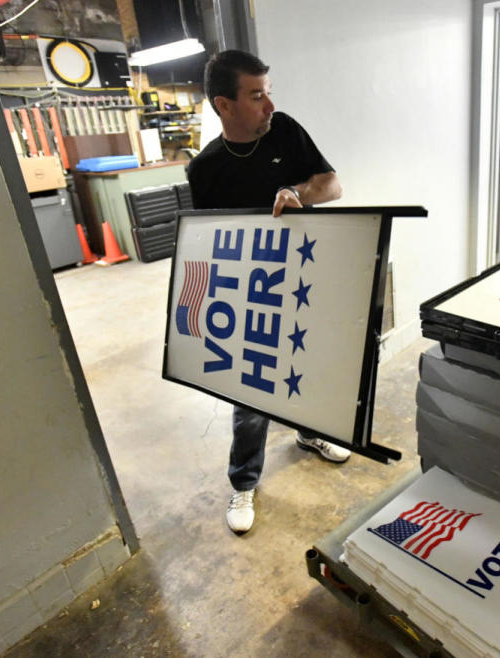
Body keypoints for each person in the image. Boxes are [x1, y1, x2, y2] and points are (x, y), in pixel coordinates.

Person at [186, 49, 350, 535]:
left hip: (301, 278)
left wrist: (300, 194)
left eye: (269, 91)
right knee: (251, 390)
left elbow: (333, 184)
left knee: (303, 365)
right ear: (224, 105)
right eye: (256, 96)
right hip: (246, 290)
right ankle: (244, 481)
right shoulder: (206, 170)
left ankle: (308, 432)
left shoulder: (286, 132)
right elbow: (208, 244)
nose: (269, 105)